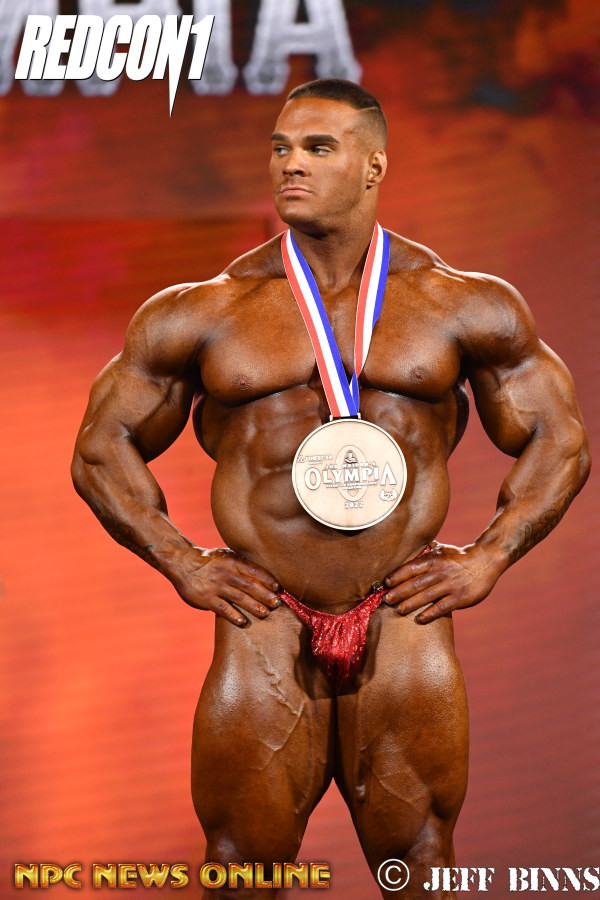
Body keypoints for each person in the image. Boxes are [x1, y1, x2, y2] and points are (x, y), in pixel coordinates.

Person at [71, 79, 590, 898]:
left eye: (318, 148)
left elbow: (560, 438)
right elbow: (103, 449)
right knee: (242, 869)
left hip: (404, 613)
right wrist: (183, 562)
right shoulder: (206, 310)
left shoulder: (460, 303)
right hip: (266, 617)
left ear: (375, 164)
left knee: (420, 863)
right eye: (281, 148)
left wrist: (489, 558)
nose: (291, 164)